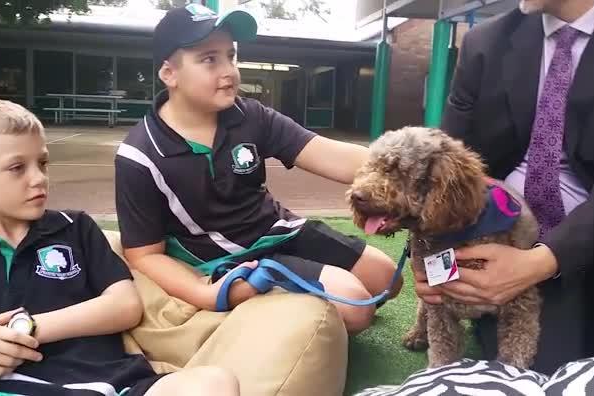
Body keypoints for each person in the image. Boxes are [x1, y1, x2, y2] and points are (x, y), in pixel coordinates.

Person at [114, 3, 402, 335]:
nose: (229, 71)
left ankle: (306, 311)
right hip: (232, 260)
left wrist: (412, 174)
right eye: (210, 59)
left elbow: (332, 156)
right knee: (354, 305)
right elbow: (144, 255)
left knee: (388, 279)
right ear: (169, 74)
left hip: (281, 230)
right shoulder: (139, 155)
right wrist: (204, 294)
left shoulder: (251, 116)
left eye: (231, 56)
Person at [413, 0, 594, 374]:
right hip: (509, 234)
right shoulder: (485, 43)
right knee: (537, 372)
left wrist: (541, 261)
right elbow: (444, 170)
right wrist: (431, 260)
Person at [0, 99, 240, 396]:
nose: (38, 178)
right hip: (11, 388)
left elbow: (125, 306)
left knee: (213, 382)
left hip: (114, 385)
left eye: (42, 163)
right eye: (16, 168)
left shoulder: (74, 227)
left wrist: (24, 329)